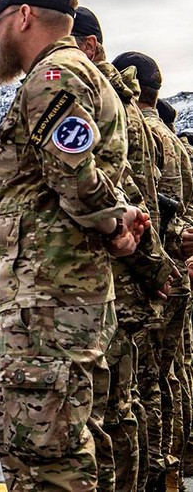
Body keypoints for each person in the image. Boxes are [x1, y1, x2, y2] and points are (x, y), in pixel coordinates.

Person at [0, 0, 149, 490]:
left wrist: (113, 223)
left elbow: (73, 174)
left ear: (24, 15)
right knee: (69, 439)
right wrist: (116, 220)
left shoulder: (55, 78)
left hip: (48, 295)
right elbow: (87, 171)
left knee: (45, 457)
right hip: (61, 293)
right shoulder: (80, 75)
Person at [73, 9, 177, 491]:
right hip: (142, 272)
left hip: (119, 278)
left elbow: (120, 194)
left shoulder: (103, 102)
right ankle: (163, 470)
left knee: (114, 404)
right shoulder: (135, 112)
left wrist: (155, 269)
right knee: (145, 388)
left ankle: (152, 475)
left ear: (89, 46)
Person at [114, 50, 191, 491]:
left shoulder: (136, 128)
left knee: (140, 387)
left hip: (149, 274)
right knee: (169, 374)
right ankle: (171, 470)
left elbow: (146, 210)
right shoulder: (169, 137)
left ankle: (154, 474)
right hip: (171, 271)